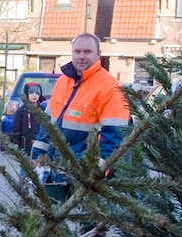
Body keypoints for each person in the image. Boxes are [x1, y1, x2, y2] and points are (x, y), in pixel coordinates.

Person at [31, 33, 129, 180]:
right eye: (77, 51)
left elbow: (114, 136)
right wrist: (36, 155)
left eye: (87, 52)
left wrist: (95, 172)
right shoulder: (62, 82)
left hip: (82, 176)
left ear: (98, 54)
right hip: (53, 171)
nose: (81, 56)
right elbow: (47, 125)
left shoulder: (110, 87)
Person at [8, 82, 45, 155]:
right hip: (25, 147)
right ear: (26, 94)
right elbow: (16, 130)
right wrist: (16, 144)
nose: (34, 95)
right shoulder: (21, 111)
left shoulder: (43, 111)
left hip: (40, 148)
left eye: (37, 93)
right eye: (31, 92)